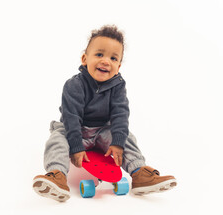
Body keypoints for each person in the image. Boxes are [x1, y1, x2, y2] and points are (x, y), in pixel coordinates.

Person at [33, 25, 177, 202]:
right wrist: (76, 146)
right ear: (85, 58)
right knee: (56, 138)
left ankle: (139, 173)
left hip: (102, 130)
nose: (106, 61)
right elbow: (72, 117)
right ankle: (57, 175)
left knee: (126, 136)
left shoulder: (118, 87)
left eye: (113, 57)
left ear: (118, 66)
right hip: (74, 130)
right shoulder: (74, 85)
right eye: (99, 54)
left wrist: (117, 142)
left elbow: (120, 115)